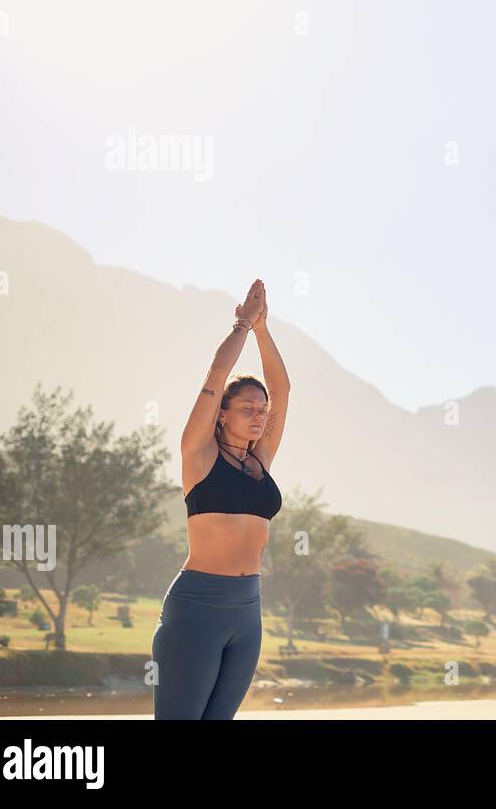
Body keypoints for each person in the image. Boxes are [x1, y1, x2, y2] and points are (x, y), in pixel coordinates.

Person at [150, 278, 291, 719]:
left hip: (248, 611)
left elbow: (283, 391)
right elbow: (215, 377)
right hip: (198, 606)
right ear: (222, 413)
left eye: (261, 411)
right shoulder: (199, 454)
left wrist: (265, 329)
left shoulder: (260, 461)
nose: (257, 415)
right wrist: (243, 326)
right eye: (247, 408)